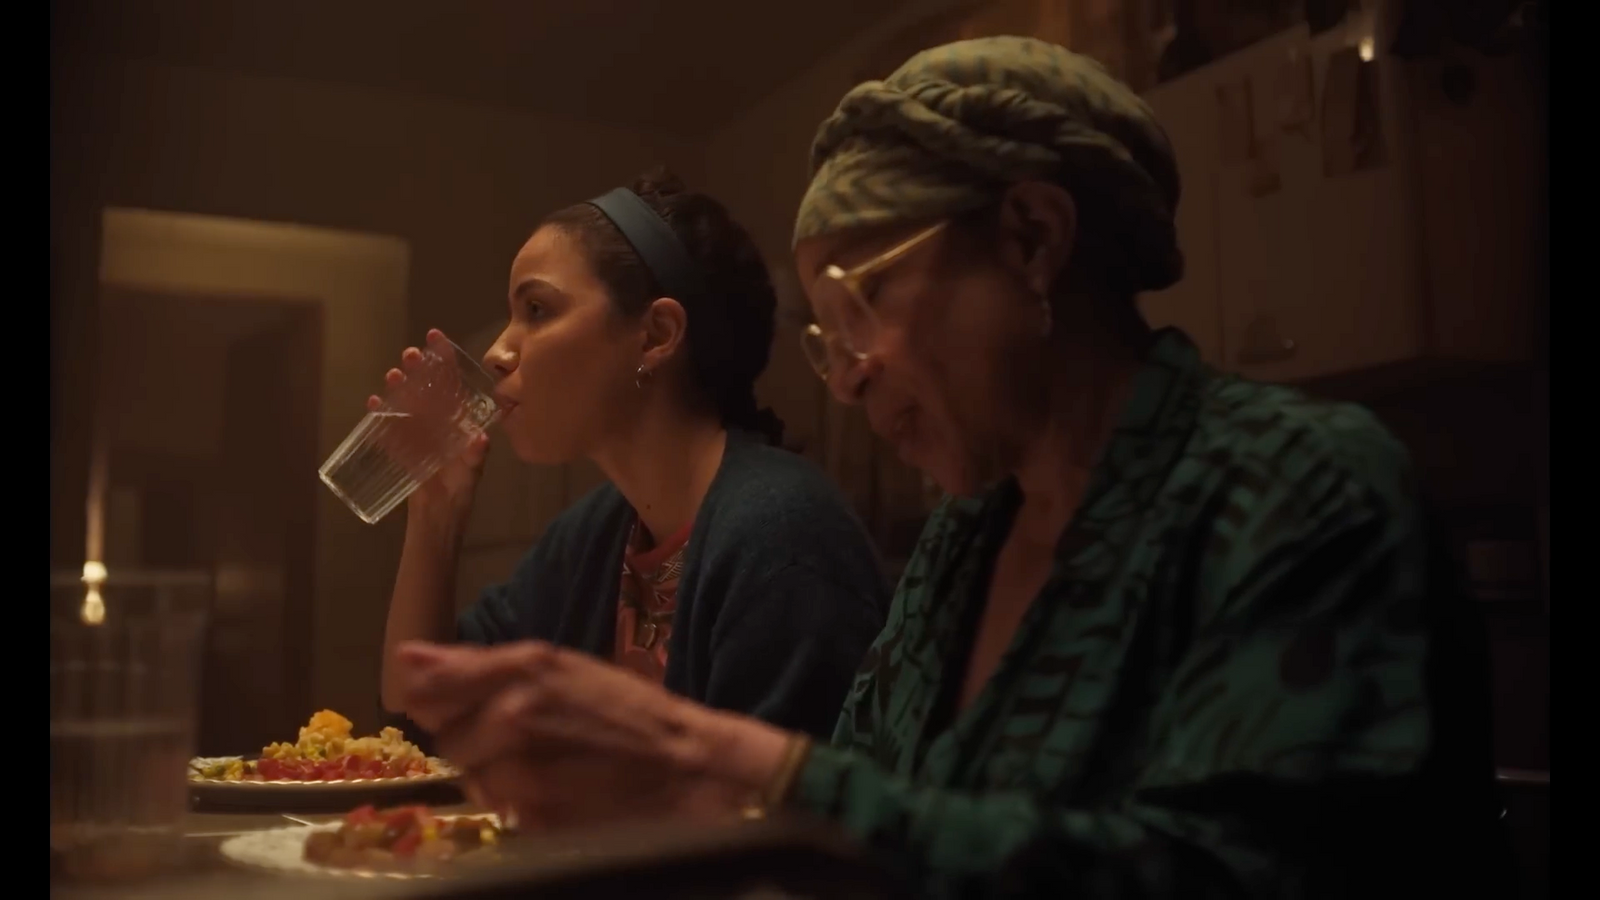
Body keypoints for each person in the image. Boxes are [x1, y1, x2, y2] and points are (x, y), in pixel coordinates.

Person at [388, 40, 1510, 897]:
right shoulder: (963, 542)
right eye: (823, 336)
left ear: (1030, 240)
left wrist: (729, 767)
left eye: (864, 306)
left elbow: (1226, 874)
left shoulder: (1298, 489)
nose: (846, 377)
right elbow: (869, 840)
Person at [378, 169, 889, 743]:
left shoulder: (783, 533)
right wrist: (433, 516)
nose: (498, 351)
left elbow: (771, 819)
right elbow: (420, 699)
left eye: (538, 310)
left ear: (656, 334)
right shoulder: (594, 536)